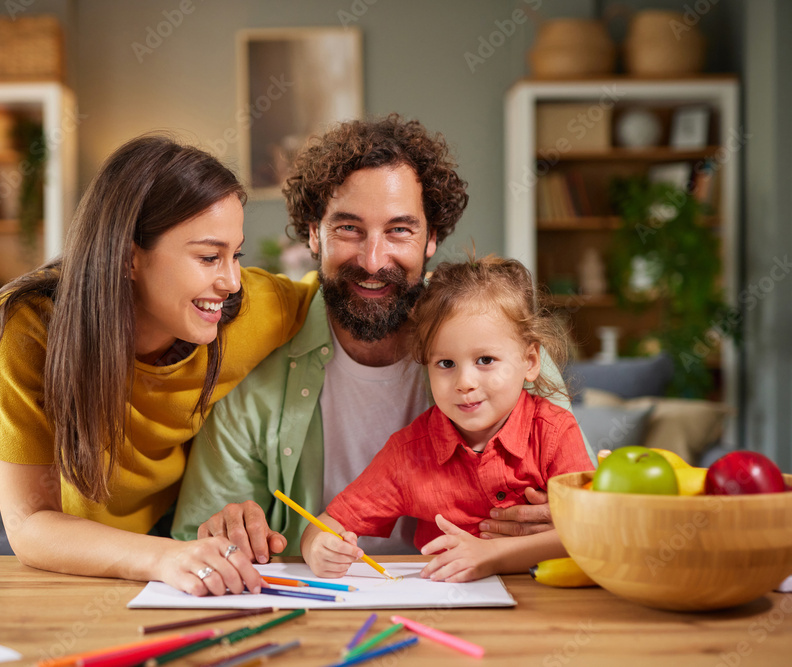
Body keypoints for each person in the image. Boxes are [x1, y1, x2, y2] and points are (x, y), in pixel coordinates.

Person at [172, 115, 593, 560]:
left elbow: (586, 499)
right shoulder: (255, 359)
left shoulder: (502, 342)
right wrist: (226, 531)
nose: (373, 261)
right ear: (314, 235)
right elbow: (196, 542)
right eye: (349, 228)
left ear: (432, 238)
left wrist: (567, 518)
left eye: (399, 230)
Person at [0, 135, 317, 596]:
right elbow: (30, 525)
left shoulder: (247, 308)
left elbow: (347, 299)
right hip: (84, 571)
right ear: (128, 256)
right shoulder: (24, 330)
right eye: (209, 257)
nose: (230, 280)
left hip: (184, 557)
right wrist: (165, 557)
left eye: (236, 255)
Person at [301, 257, 595, 581]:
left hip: (545, 608)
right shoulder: (409, 453)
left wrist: (492, 556)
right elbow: (328, 524)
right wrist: (319, 548)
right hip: (447, 606)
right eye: (445, 363)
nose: (464, 382)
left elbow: (593, 532)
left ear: (530, 361)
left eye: (485, 360)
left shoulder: (554, 432)